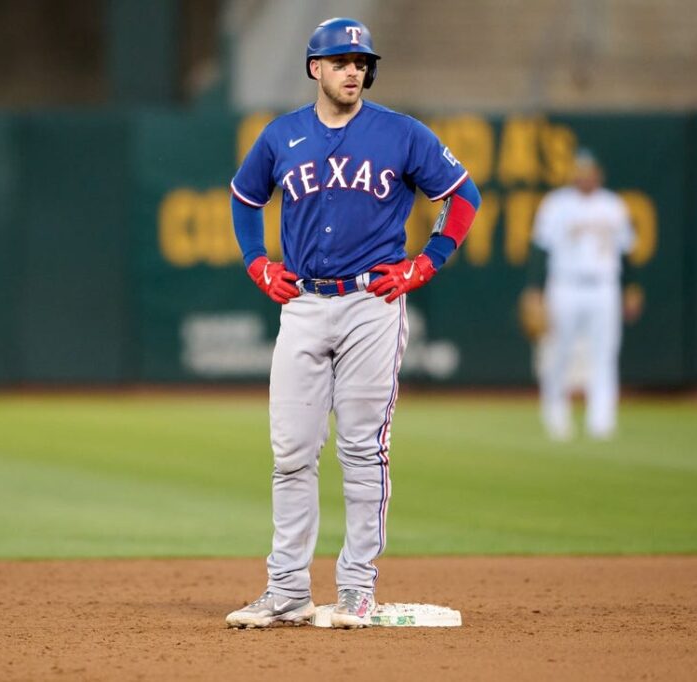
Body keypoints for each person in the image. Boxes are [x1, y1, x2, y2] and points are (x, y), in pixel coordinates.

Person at [224, 17, 480, 628]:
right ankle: (286, 591)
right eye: (341, 61)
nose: (353, 71)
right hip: (304, 305)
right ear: (315, 67)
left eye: (361, 62)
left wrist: (428, 262)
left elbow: (463, 197)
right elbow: (244, 198)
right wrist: (258, 262)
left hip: (373, 303)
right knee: (290, 452)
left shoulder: (401, 133)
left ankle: (357, 590)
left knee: (363, 450)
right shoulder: (281, 135)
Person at [519, 149, 643, 441]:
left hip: (604, 285)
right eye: (580, 170)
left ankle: (601, 421)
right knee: (558, 351)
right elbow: (540, 249)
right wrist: (535, 290)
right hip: (565, 285)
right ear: (573, 173)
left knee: (605, 353)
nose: (585, 176)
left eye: (590, 170)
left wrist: (631, 288)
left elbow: (626, 251)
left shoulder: (613, 205)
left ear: (598, 173)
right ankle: (555, 413)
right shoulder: (557, 204)